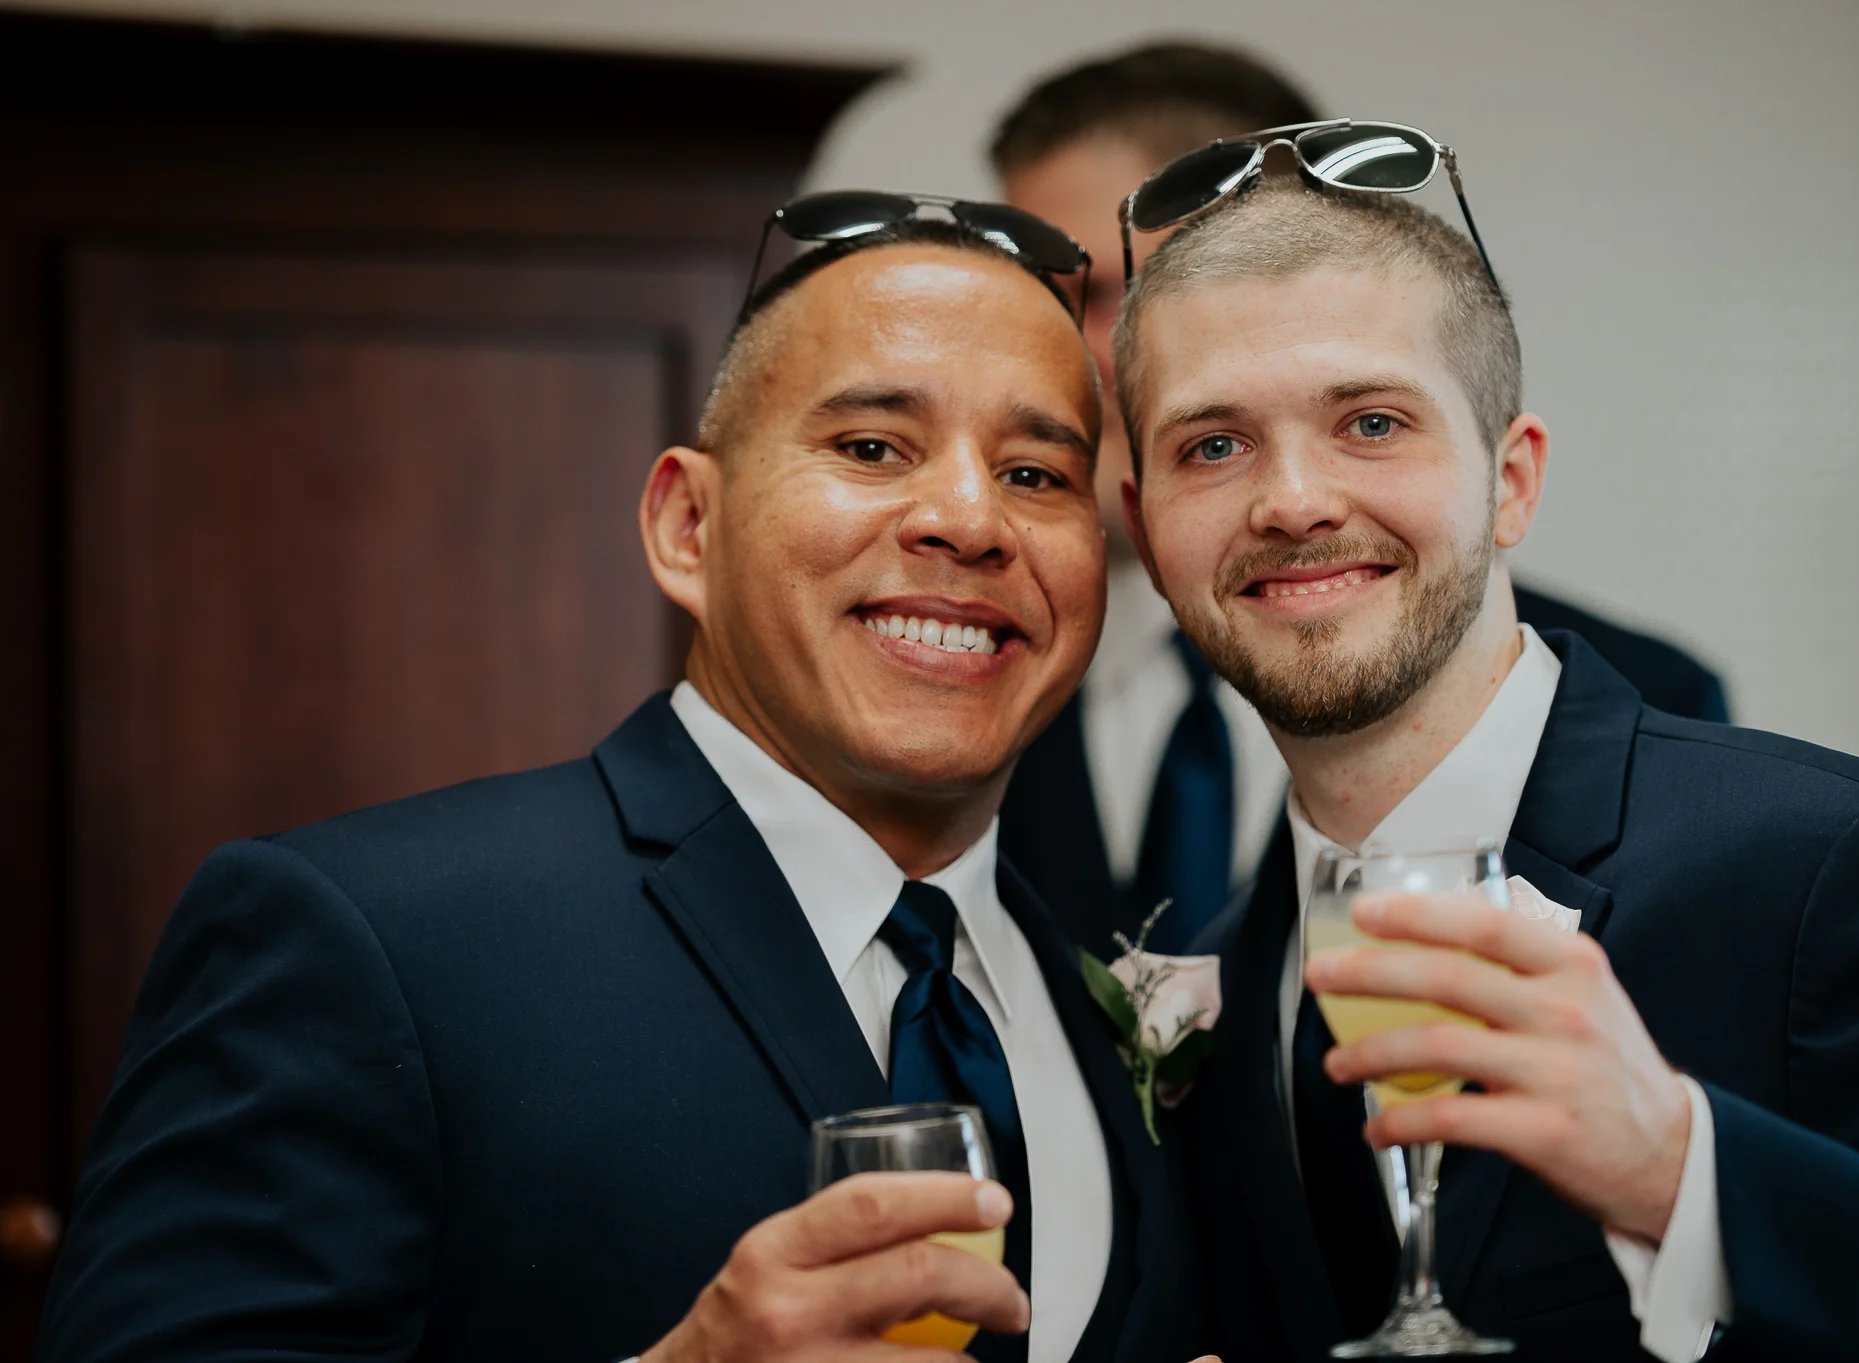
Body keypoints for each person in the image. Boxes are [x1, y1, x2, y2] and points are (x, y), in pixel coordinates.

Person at [37, 209, 1206, 1363]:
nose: (968, 520)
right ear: (687, 524)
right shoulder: (370, 937)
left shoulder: (1091, 989)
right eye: (870, 448)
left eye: (1033, 472)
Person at [1113, 167, 1859, 1360]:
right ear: (1146, 530)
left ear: (1510, 481)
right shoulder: (1220, 972)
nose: (1292, 501)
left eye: (1371, 423)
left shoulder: (1848, 865)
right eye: (1214, 444)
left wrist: (1678, 1170)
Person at [992, 43, 1729, 961]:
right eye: (1038, 305)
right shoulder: (981, 690)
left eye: (1109, 292)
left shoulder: (1672, 716)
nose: (1065, 362)